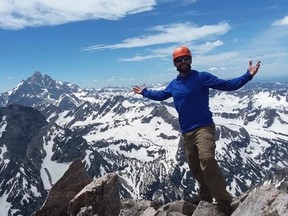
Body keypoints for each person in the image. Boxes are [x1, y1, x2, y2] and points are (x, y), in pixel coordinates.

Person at [133, 46, 261, 215]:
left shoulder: (202, 77)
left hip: (204, 127)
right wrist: (145, 92)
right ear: (175, 64)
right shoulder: (174, 84)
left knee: (206, 159)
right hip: (186, 133)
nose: (183, 62)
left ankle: (223, 200)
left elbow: (228, 85)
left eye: (186, 58)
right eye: (179, 60)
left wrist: (248, 76)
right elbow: (162, 95)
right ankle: (205, 197)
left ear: (191, 60)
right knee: (195, 167)